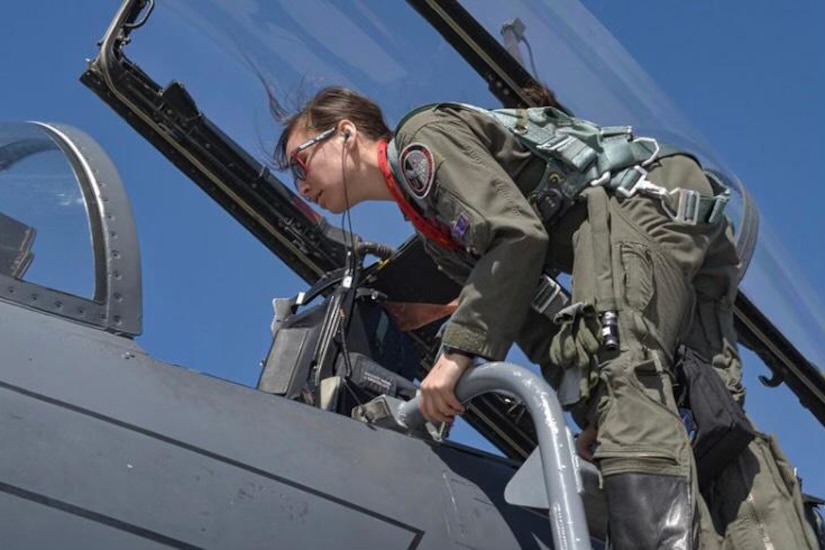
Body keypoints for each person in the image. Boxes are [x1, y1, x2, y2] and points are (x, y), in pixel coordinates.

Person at [272, 85, 817, 549]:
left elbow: (518, 236)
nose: (303, 186)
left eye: (302, 161)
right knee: (707, 410)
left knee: (625, 370)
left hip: (640, 206)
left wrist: (455, 356)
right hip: (682, 224)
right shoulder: (434, 226)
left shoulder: (421, 143)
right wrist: (593, 416)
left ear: (345, 133)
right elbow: (534, 311)